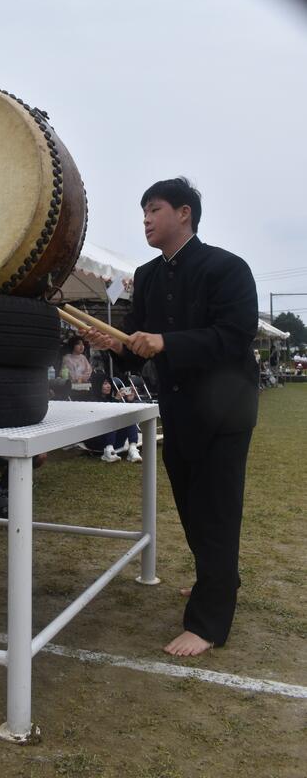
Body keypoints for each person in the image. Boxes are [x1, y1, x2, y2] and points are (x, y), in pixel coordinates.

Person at [86, 177, 258, 657]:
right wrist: (115, 344)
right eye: (143, 212)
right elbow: (137, 347)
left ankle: (208, 623)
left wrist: (166, 342)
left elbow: (235, 335)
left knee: (217, 510)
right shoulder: (147, 275)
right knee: (191, 506)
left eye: (154, 209)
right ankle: (217, 579)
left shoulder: (227, 267)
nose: (145, 219)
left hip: (226, 410)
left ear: (184, 213)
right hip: (179, 410)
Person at [83, 374, 143, 463]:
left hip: (114, 442)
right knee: (111, 418)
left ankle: (133, 449)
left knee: (129, 417)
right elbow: (100, 419)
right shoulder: (91, 401)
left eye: (109, 383)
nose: (108, 386)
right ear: (98, 385)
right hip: (97, 442)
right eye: (105, 384)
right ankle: (108, 453)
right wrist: (116, 399)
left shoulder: (110, 399)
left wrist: (129, 401)